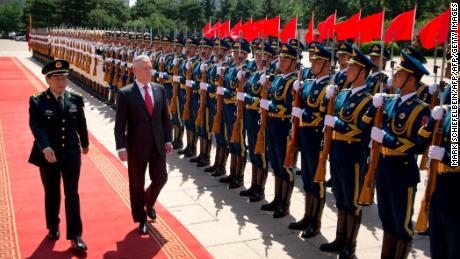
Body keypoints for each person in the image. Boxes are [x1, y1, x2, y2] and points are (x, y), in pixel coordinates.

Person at [361, 50, 431, 258]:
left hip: (402, 172)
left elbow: (418, 146)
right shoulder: (389, 101)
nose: (395, 76)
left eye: (400, 73)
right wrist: (372, 108)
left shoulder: (421, 110)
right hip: (383, 167)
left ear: (412, 79)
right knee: (386, 220)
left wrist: (387, 139)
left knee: (402, 225)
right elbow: (365, 127)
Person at [28, 59, 89, 252]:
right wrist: (45, 148)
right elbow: (36, 126)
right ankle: (53, 225)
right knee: (52, 192)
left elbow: (81, 123)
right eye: (57, 78)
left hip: (71, 153)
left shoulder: (75, 99)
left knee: (72, 193)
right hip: (49, 155)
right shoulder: (37, 100)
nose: (62, 81)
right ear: (47, 79)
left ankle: (76, 235)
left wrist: (85, 143)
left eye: (64, 77)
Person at [320, 48, 375, 258]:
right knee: (340, 200)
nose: (347, 70)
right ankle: (339, 238)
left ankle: (349, 245)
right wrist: (328, 99)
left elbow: (362, 131)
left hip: (353, 155)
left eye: (352, 67)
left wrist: (338, 125)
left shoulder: (369, 100)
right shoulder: (342, 94)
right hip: (336, 152)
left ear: (362, 72)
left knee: (352, 203)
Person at [114, 55, 173, 234]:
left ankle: (148, 201)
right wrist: (121, 147)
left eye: (150, 67)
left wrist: (168, 139)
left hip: (158, 143)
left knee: (161, 178)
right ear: (135, 71)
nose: (150, 71)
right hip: (136, 147)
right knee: (136, 184)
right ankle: (140, 218)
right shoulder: (125, 93)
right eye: (145, 68)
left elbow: (165, 118)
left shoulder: (159, 89)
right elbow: (120, 124)